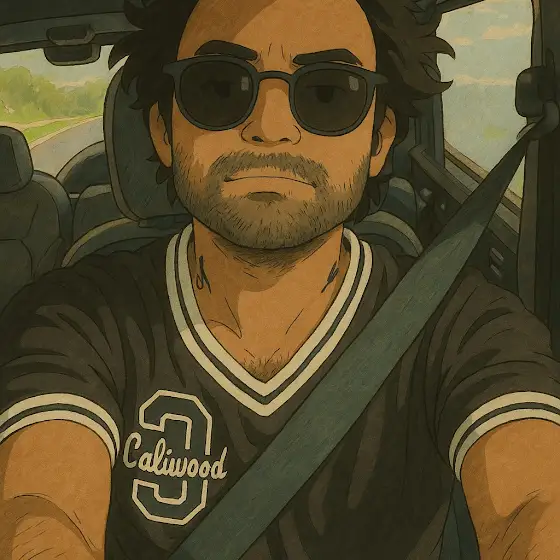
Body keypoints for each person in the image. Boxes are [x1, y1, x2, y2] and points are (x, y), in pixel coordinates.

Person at [1, 0, 560, 558]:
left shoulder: (465, 325)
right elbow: (40, 510)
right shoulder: (74, 318)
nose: (270, 130)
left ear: (379, 140)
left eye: (328, 92)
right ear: (164, 132)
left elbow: (534, 505)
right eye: (219, 87)